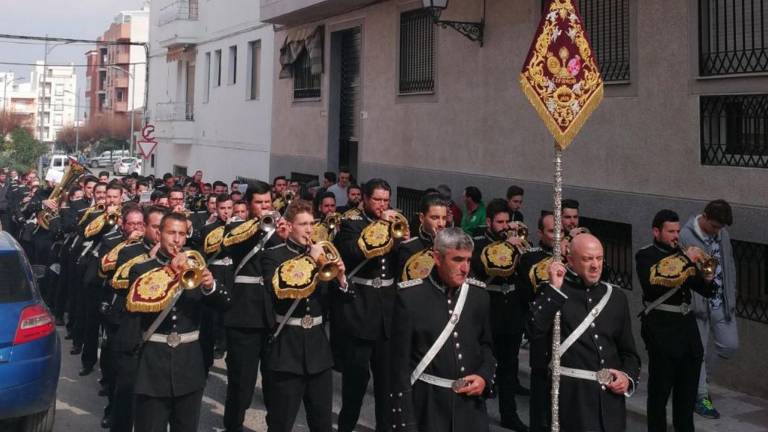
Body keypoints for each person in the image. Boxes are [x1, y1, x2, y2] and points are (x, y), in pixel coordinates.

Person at [125, 212, 230, 432]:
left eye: (182, 234)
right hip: (153, 364)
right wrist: (170, 271)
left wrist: (209, 285)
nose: (177, 240)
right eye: (171, 233)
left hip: (189, 363)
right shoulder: (141, 269)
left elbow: (224, 304)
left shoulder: (196, 266)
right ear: (158, 233)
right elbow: (135, 312)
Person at [526, 234, 641, 432]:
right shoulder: (554, 292)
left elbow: (629, 353)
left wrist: (627, 377)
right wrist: (554, 289)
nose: (595, 265)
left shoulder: (616, 297)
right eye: (588, 259)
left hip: (609, 404)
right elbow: (533, 330)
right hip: (572, 401)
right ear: (570, 260)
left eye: (599, 258)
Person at [389, 227, 496, 431]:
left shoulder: (479, 296)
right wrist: (405, 422)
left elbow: (486, 346)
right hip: (429, 407)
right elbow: (399, 367)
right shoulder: (410, 298)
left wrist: (484, 376)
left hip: (470, 409)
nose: (465, 268)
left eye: (468, 260)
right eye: (457, 260)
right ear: (437, 258)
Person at [260, 199, 351, 431]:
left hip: (318, 352)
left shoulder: (324, 255)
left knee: (322, 423)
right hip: (286, 351)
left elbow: (339, 305)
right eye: (303, 224)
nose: (310, 230)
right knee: (281, 423)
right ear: (289, 226)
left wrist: (341, 281)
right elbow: (278, 292)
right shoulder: (273, 256)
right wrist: (311, 260)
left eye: (311, 224)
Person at [333, 178, 406, 431]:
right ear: (364, 198)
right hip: (360, 311)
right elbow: (354, 252)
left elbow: (400, 264)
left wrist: (403, 241)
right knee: (355, 385)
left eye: (386, 200)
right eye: (377, 200)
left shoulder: (395, 224)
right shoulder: (350, 223)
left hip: (387, 313)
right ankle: (346, 427)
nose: (382, 205)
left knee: (387, 386)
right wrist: (382, 228)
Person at [636, 209, 715, 432]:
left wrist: (707, 277)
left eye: (677, 231)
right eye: (670, 231)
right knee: (659, 395)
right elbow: (651, 285)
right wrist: (685, 259)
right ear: (656, 231)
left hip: (687, 332)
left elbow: (704, 290)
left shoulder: (682, 254)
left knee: (686, 397)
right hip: (662, 333)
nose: (675, 236)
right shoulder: (646, 255)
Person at [221, 181, 288, 432]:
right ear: (248, 205)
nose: (264, 208)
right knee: (242, 381)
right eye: (259, 203)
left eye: (268, 203)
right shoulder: (237, 225)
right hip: (244, 315)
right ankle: (233, 425)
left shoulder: (278, 228)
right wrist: (262, 225)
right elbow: (230, 243)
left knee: (274, 379)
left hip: (272, 313)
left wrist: (283, 236)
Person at [470, 198, 529, 431]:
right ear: (489, 222)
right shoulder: (478, 241)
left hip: (511, 312)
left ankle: (509, 414)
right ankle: (478, 414)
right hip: (489, 311)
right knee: (485, 365)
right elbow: (483, 265)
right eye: (500, 222)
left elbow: (526, 272)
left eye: (507, 221)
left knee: (509, 366)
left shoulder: (517, 242)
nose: (505, 226)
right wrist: (509, 246)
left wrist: (520, 246)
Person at [109, 205, 168, 432]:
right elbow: (125, 288)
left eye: (164, 228)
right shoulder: (129, 252)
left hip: (162, 339)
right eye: (155, 227)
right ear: (145, 227)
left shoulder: (180, 256)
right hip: (134, 334)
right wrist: (150, 261)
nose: (159, 233)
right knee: (126, 391)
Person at [679, 199, 739, 419]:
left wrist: (731, 295)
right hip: (699, 304)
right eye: (714, 226)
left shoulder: (722, 234)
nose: (717, 231)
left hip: (721, 302)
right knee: (700, 352)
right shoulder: (686, 235)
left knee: (729, 346)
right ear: (704, 216)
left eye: (720, 227)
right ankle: (701, 396)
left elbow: (729, 263)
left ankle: (696, 380)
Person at [516, 211, 558, 432]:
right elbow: (525, 297)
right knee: (540, 388)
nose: (558, 236)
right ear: (540, 233)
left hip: (568, 332)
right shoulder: (529, 258)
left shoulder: (573, 254)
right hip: (541, 331)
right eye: (552, 231)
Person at [396, 194, 447, 282]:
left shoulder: (452, 246)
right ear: (422, 218)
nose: (441, 224)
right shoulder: (409, 248)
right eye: (435, 218)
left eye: (444, 218)